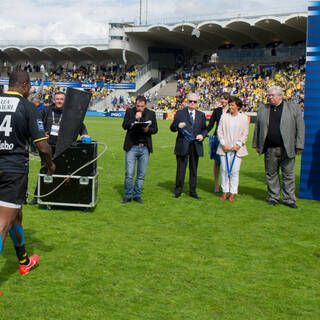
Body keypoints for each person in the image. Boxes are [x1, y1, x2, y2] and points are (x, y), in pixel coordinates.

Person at [0, 71, 55, 295]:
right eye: (30, 85)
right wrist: (50, 165)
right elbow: (42, 146)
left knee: (16, 215)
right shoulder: (28, 107)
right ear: (24, 85)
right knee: (3, 223)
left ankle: (24, 261)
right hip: (13, 171)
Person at [29, 91, 89, 205]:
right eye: (57, 99)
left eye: (62, 99)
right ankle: (38, 196)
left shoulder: (70, 112)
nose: (59, 101)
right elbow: (36, 123)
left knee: (64, 170)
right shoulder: (46, 111)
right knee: (45, 170)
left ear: (65, 100)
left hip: (64, 147)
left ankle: (59, 196)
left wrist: (84, 133)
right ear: (54, 100)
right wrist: (41, 134)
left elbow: (80, 124)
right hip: (47, 147)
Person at [252, 86, 305, 208]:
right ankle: (273, 197)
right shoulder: (263, 109)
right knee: (271, 174)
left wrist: (299, 145)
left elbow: (300, 128)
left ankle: (289, 199)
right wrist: (256, 144)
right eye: (269, 95)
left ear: (280, 96)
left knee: (288, 174)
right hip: (270, 148)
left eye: (272, 95)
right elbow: (257, 127)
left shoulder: (293, 108)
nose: (270, 97)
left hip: (288, 148)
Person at [121, 95, 158, 204]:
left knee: (141, 174)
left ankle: (137, 195)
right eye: (137, 106)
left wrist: (148, 130)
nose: (139, 108)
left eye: (141, 106)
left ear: (145, 105)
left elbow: (155, 129)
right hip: (131, 146)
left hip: (145, 147)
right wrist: (134, 119)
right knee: (129, 173)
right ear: (135, 104)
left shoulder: (151, 113)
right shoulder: (130, 112)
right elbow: (124, 125)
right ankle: (127, 196)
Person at [170, 93, 207, 199]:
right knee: (181, 169)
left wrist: (203, 135)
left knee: (194, 169)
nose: (192, 103)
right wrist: (177, 126)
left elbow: (205, 129)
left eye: (194, 102)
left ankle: (193, 191)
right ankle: (178, 190)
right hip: (183, 145)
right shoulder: (180, 113)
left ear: (197, 103)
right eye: (190, 101)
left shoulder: (201, 115)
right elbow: (172, 128)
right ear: (187, 102)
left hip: (195, 145)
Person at [217, 96, 249, 202]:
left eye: (232, 105)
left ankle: (233, 192)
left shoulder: (244, 118)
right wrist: (223, 144)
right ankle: (225, 191)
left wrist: (238, 145)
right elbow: (219, 131)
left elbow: (245, 133)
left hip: (237, 149)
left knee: (235, 171)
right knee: (224, 170)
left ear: (238, 106)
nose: (230, 107)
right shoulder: (224, 117)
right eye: (229, 105)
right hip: (224, 148)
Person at [207, 92, 230, 193]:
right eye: (221, 99)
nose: (223, 101)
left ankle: (227, 185)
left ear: (229, 100)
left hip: (229, 139)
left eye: (225, 99)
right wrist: (202, 133)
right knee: (217, 163)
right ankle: (216, 185)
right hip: (217, 139)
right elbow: (211, 125)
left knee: (228, 164)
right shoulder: (216, 111)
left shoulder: (232, 110)